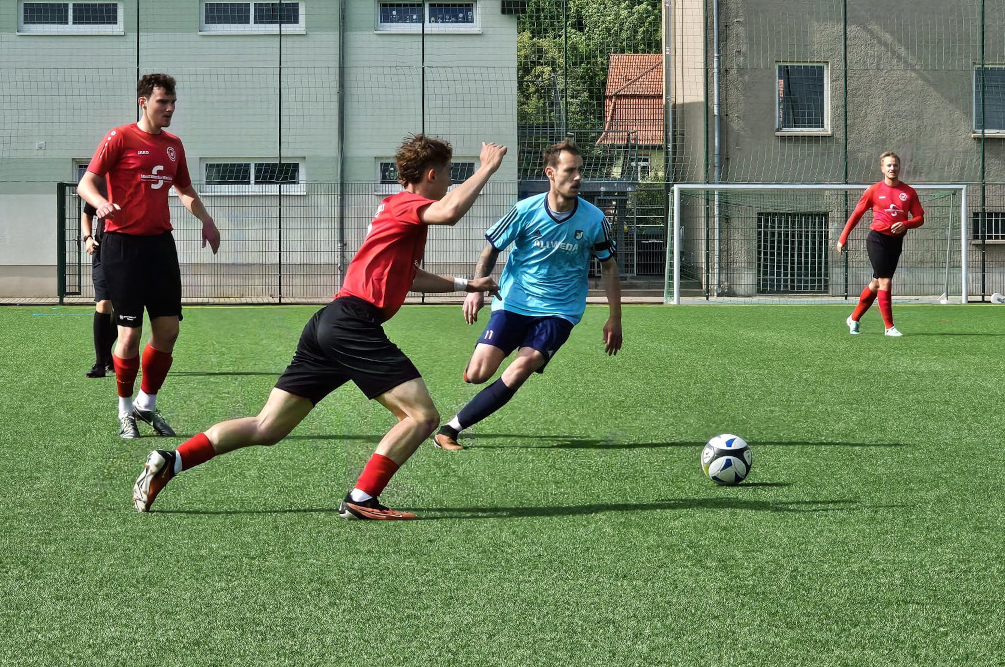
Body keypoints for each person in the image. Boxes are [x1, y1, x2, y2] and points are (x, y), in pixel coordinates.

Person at [133, 135, 507, 520]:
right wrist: (486, 169)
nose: (449, 184)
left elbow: (408, 277)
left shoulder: (396, 210)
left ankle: (170, 461)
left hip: (331, 323)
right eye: (448, 175)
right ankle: (362, 499)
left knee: (267, 427)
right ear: (432, 174)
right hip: (352, 325)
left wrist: (465, 284)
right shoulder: (409, 205)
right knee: (422, 416)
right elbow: (449, 213)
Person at [432, 139, 622, 451]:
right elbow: (491, 249)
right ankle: (479, 365)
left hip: (560, 310)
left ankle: (450, 429)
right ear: (551, 172)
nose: (578, 178)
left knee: (523, 366)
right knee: (480, 373)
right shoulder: (524, 211)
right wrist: (477, 289)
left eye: (580, 171)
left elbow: (610, 267)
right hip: (514, 301)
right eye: (570, 171)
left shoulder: (594, 219)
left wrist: (614, 318)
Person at [77, 73, 221, 439]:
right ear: (144, 101)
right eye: (162, 102)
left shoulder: (174, 145)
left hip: (160, 245)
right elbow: (86, 183)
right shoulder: (119, 137)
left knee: (169, 330)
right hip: (122, 245)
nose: (170, 109)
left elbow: (184, 188)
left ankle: (147, 403)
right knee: (128, 334)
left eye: (173, 103)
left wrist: (206, 220)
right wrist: (101, 203)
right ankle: (124, 411)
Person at [837, 151, 924, 337]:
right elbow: (856, 215)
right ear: (882, 168)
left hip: (896, 242)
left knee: (876, 283)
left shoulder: (908, 192)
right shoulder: (874, 190)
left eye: (895, 165)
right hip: (877, 239)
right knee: (885, 281)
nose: (892, 168)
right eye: (889, 165)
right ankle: (889, 327)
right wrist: (842, 237)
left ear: (899, 167)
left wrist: (906, 224)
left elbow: (920, 218)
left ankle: (854, 318)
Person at [81, 201, 117, 379]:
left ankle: (107, 355)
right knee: (103, 304)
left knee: (124, 309)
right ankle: (100, 363)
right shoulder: (98, 186)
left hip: (128, 252)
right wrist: (87, 238)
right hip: (102, 251)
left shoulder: (131, 183)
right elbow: (87, 214)